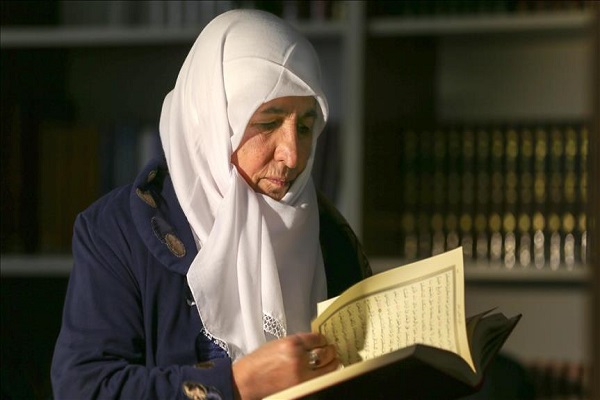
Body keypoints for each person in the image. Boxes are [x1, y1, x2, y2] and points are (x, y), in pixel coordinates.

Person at [51, 9, 371, 400]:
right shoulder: (117, 232)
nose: (292, 154)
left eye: (305, 127)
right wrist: (238, 382)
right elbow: (84, 389)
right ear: (213, 118)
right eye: (268, 123)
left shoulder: (328, 235)